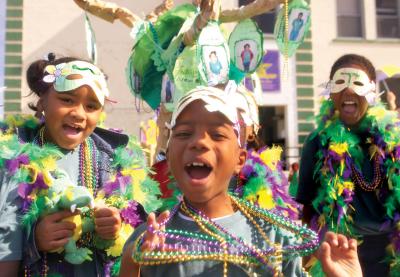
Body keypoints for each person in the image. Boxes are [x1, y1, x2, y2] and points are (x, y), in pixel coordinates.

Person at [119, 86, 362, 277]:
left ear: (239, 159)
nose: (199, 143)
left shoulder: (275, 237)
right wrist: (132, 260)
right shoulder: (149, 238)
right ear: (169, 155)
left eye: (217, 135)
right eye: (183, 134)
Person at [0, 53, 160, 276]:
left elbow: (141, 239)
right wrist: (34, 240)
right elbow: (6, 240)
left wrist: (118, 227)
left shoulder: (115, 158)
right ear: (42, 100)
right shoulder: (15, 154)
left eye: (92, 106)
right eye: (67, 100)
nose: (78, 113)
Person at [296, 54, 400, 276]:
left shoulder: (394, 139)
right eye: (341, 83)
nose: (349, 91)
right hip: (338, 251)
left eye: (358, 83)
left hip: (391, 252)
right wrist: (306, 259)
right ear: (331, 92)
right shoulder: (317, 142)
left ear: (372, 93)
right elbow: (305, 208)